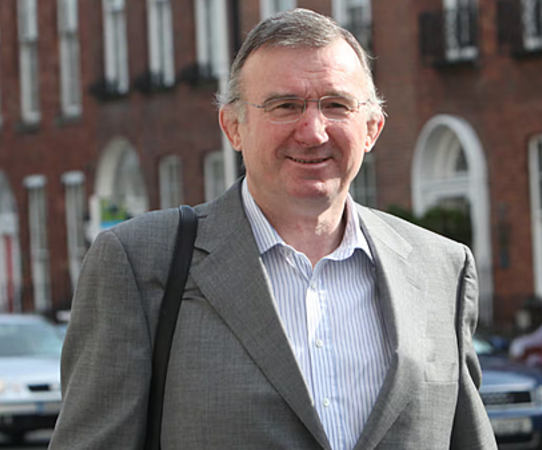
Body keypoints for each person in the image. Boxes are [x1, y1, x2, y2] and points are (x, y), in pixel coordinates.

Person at [49, 9, 495, 450]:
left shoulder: (442, 270)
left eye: (336, 105)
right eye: (285, 106)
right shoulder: (141, 262)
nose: (313, 132)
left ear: (372, 128)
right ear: (233, 127)